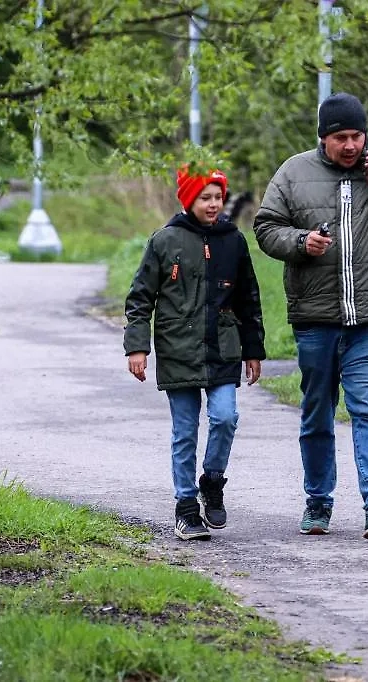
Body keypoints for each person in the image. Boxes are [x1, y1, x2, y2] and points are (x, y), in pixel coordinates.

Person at [253, 92, 368, 540]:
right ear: (323, 138)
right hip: (316, 319)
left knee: (367, 408)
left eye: (357, 136)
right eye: (341, 138)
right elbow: (265, 227)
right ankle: (318, 500)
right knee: (317, 412)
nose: (351, 145)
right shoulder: (294, 172)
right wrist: (299, 243)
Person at [124, 167, 266, 541]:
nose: (214, 204)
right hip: (178, 350)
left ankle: (212, 481)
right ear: (188, 199)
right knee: (184, 431)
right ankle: (186, 506)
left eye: (218, 197)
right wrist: (138, 346)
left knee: (225, 417)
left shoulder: (233, 241)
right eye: (205, 197)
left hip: (222, 348)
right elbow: (140, 299)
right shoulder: (165, 241)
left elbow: (248, 299)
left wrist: (253, 350)